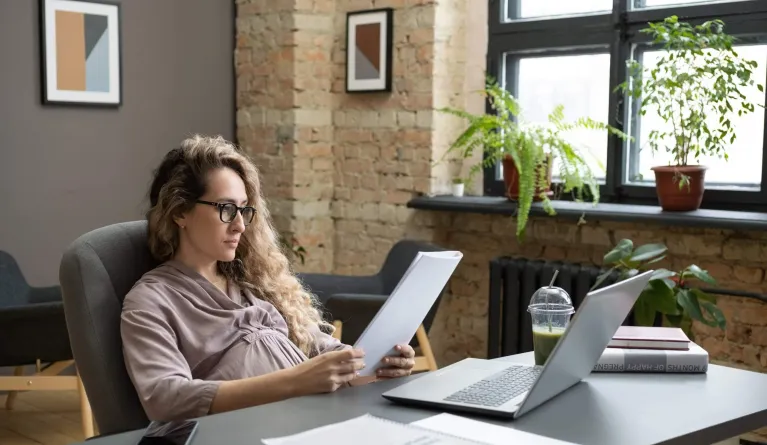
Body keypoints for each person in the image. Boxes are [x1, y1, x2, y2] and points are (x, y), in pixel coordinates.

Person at [120, 135, 415, 422]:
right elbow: (166, 399)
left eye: (244, 210)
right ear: (180, 212)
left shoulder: (254, 282)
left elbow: (325, 352)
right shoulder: (151, 300)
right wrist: (296, 380)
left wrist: (374, 366)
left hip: (319, 422)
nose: (239, 225)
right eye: (225, 208)